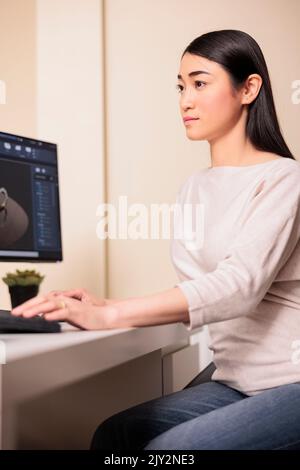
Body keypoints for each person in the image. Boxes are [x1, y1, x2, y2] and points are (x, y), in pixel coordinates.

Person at [11, 29, 300, 450]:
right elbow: (198, 290)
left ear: (248, 88)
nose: (185, 100)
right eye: (181, 87)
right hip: (237, 382)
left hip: (289, 383)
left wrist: (111, 314)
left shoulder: (284, 179)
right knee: (115, 435)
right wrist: (103, 305)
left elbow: (238, 288)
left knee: (166, 455)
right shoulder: (193, 189)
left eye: (200, 83)